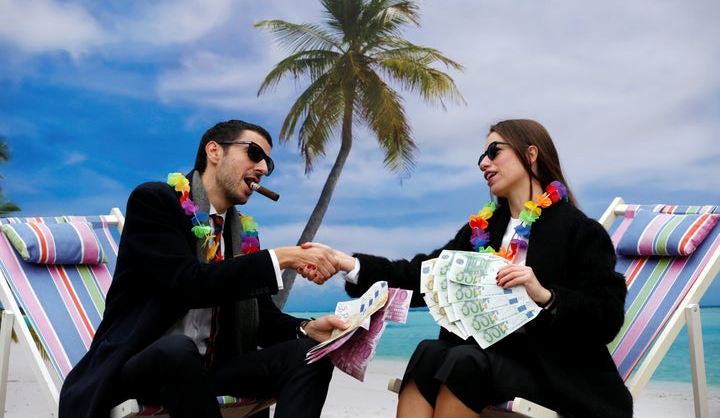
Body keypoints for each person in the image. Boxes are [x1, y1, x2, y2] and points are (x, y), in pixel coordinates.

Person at [334, 119, 633, 418]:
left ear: (531, 154)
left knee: (465, 361)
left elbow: (607, 316)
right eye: (481, 156)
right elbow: (424, 277)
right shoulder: (483, 229)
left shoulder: (580, 231)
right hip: (488, 361)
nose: (483, 163)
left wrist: (545, 295)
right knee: (429, 352)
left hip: (553, 372)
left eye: (494, 151)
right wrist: (350, 265)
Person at [59, 119, 348, 418]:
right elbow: (186, 284)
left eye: (267, 163)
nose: (262, 167)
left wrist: (305, 329)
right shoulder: (156, 203)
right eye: (254, 153)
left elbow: (260, 319)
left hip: (207, 371)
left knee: (311, 356)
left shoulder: (241, 234)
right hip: (143, 365)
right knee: (176, 350)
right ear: (214, 151)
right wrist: (283, 258)